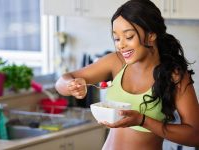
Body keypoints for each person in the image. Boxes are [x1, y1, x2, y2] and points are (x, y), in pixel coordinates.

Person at [55, 0, 199, 149]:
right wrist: (70, 85)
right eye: (117, 38)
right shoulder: (116, 61)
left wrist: (143, 120)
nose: (120, 45)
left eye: (129, 36)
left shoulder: (174, 75)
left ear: (151, 35)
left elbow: (195, 136)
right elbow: (61, 82)